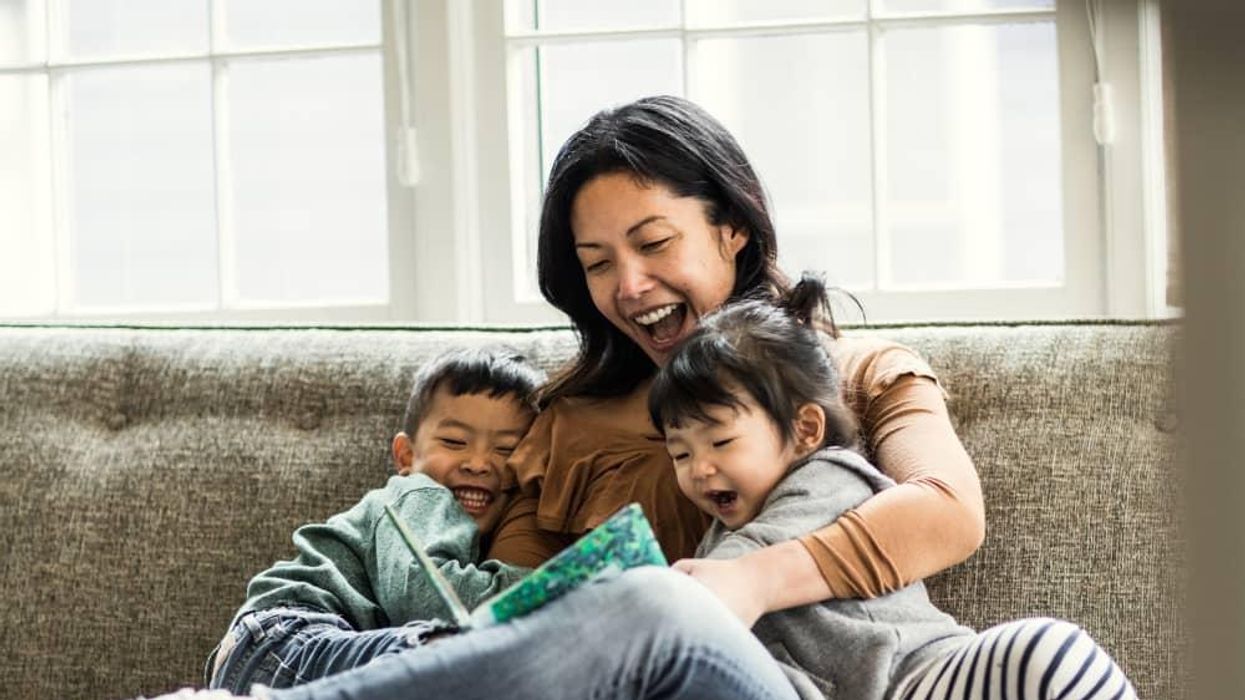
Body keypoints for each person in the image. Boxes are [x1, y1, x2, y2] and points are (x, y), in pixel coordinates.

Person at [647, 275, 1138, 699]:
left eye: (721, 441)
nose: (700, 469)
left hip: (921, 678)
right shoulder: (715, 545)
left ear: (805, 431)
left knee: (1049, 653)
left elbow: (747, 559)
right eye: (681, 453)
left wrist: (657, 596)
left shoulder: (828, 479)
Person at [208, 346, 543, 694]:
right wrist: (544, 584)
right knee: (438, 652)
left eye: (505, 449)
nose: (478, 462)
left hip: (280, 656)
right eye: (454, 441)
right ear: (407, 456)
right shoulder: (419, 494)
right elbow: (422, 594)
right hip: (286, 638)